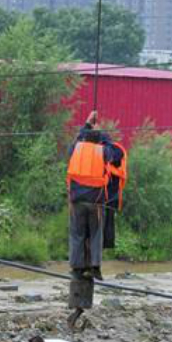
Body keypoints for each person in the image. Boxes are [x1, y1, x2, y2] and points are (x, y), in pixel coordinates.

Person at [66, 111, 124, 281]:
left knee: (77, 235)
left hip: (77, 201)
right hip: (96, 202)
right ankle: (94, 267)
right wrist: (102, 133)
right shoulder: (103, 150)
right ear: (98, 139)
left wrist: (86, 125)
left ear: (85, 139)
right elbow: (116, 153)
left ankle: (76, 269)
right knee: (96, 234)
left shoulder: (75, 149)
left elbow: (77, 138)